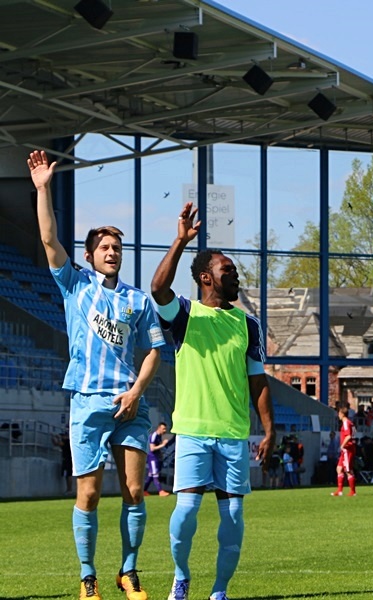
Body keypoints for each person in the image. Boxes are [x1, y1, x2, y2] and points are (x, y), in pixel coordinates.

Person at [28, 150, 164, 600]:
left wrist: (136, 392)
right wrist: (43, 188)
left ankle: (129, 572)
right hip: (86, 402)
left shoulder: (138, 301)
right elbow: (49, 241)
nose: (112, 253)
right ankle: (88, 577)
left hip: (131, 406)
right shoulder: (75, 285)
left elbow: (154, 352)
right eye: (105, 248)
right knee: (87, 496)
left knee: (133, 491)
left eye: (118, 248)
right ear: (89, 255)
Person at [150, 201, 274, 600]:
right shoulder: (184, 315)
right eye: (228, 270)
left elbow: (258, 381)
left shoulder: (247, 323)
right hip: (193, 432)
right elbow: (157, 288)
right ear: (206, 277)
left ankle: (219, 592)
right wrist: (181, 240)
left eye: (235, 271)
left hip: (234, 434)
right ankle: (181, 576)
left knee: (234, 516)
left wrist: (268, 429)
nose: (235, 275)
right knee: (185, 513)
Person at [332, 405, 357, 496]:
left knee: (348, 470)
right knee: (339, 469)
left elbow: (349, 435)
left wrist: (342, 445)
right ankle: (339, 491)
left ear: (342, 414)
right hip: (347, 449)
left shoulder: (346, 423)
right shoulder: (350, 423)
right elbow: (354, 432)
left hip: (347, 448)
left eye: (339, 413)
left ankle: (353, 491)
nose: (338, 415)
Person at [144, 422, 171, 496]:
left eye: (165, 429)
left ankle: (144, 491)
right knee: (155, 474)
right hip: (152, 458)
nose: (165, 430)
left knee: (150, 475)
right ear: (159, 428)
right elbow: (152, 448)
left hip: (156, 457)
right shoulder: (154, 436)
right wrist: (163, 444)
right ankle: (160, 491)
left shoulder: (159, 436)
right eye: (163, 429)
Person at [52, 426, 74, 495]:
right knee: (67, 475)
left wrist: (55, 437)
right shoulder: (68, 441)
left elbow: (58, 443)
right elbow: (57, 444)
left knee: (68, 474)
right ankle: (68, 489)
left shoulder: (67, 441)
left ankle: (69, 490)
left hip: (68, 459)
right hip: (68, 459)